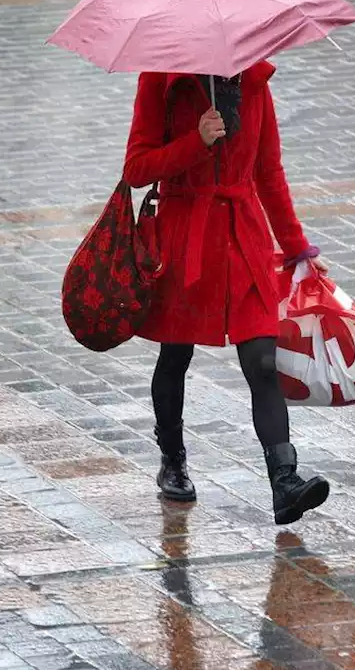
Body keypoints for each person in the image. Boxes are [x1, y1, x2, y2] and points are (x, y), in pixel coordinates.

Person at [121, 62, 330, 525]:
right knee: (175, 355)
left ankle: (284, 481)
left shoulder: (254, 81)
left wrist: (297, 250)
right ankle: (172, 459)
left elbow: (269, 172)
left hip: (243, 240)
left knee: (261, 359)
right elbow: (136, 169)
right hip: (184, 241)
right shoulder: (161, 78)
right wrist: (198, 141)